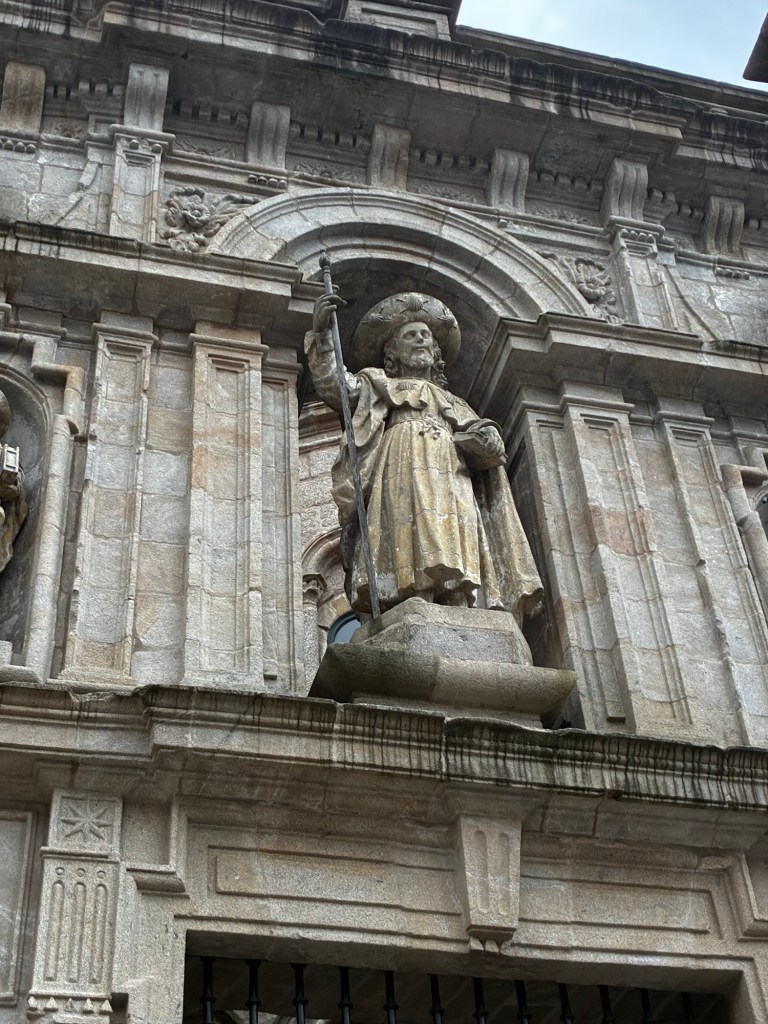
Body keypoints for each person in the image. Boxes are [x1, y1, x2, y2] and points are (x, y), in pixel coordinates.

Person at [305, 290, 543, 623]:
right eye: (410, 335)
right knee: (405, 527)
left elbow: (487, 440)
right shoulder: (378, 385)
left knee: (454, 530)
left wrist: (487, 438)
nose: (420, 339)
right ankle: (412, 597)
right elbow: (337, 386)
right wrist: (322, 337)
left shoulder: (455, 402)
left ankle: (459, 600)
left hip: (452, 469)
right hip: (401, 461)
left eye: (425, 335)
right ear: (392, 353)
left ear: (436, 351)